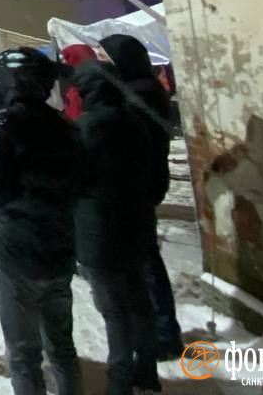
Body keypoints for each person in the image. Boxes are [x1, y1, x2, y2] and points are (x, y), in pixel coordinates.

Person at [0, 47, 84, 395]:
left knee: (22, 351)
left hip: (16, 248)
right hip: (60, 245)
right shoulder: (64, 126)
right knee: (61, 342)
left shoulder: (6, 122)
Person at [73, 54, 164, 395]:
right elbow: (152, 174)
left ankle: (120, 382)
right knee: (140, 302)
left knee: (115, 310)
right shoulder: (135, 121)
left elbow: (76, 177)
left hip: (100, 231)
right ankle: (148, 372)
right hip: (137, 224)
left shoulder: (88, 126)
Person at [100, 34, 183, 360]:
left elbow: (134, 144)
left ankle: (164, 332)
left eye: (104, 56)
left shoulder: (141, 94)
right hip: (139, 184)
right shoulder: (138, 88)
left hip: (138, 185)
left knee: (146, 260)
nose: (100, 62)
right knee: (141, 257)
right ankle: (155, 327)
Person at [58, 44, 95, 121]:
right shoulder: (100, 77)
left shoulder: (76, 91)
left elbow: (74, 118)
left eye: (66, 58)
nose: (62, 62)